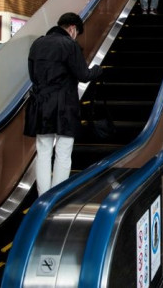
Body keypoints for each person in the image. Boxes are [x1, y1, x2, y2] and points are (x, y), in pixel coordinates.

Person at [24, 13, 103, 195]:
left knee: (43, 153)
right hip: (65, 106)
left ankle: (42, 197)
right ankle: (57, 197)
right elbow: (83, 75)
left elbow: (32, 75)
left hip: (42, 105)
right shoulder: (69, 44)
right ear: (73, 29)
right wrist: (97, 70)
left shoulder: (37, 44)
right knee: (63, 152)